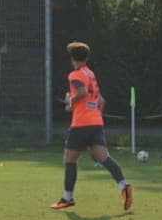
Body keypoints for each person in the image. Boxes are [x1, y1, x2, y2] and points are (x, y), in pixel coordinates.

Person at [52, 41, 132, 211]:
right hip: (96, 123)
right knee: (105, 158)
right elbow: (101, 101)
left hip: (81, 124)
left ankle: (67, 197)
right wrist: (94, 115)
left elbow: (81, 93)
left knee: (69, 159)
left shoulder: (75, 75)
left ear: (73, 58)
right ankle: (123, 186)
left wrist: (69, 102)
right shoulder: (90, 74)